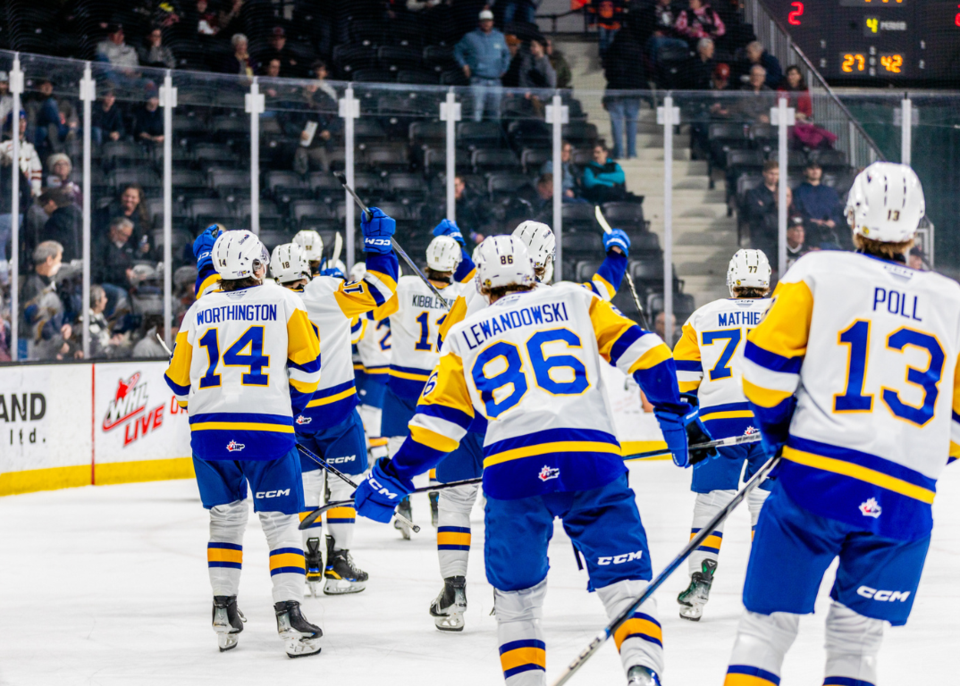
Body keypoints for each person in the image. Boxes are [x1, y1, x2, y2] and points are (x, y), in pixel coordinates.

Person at [353, 234, 714, 686]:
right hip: (591, 457)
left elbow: (438, 427)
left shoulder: (463, 334)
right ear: (534, 270)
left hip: (512, 468)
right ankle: (642, 669)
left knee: (517, 603)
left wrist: (394, 473)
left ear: (482, 286)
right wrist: (672, 410)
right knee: (626, 582)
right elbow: (650, 355)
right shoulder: (576, 298)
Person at [728, 162, 957, 685]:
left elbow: (763, 369)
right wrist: (914, 452)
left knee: (766, 629)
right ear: (916, 226)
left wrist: (782, 434)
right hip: (904, 500)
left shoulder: (817, 272)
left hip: (817, 480)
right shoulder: (953, 302)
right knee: (857, 644)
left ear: (852, 216)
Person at [164, 230, 324, 658]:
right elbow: (309, 370)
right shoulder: (286, 301)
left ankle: (223, 612)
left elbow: (178, 385)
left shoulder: (198, 309)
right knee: (280, 522)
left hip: (210, 433)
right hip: (267, 429)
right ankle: (289, 616)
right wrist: (288, 407)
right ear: (257, 266)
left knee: (224, 520)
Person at [271, 209, 398, 597]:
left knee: (308, 486)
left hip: (291, 410)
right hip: (337, 408)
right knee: (344, 486)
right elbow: (380, 291)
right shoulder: (327, 290)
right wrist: (378, 247)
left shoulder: (268, 302)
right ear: (308, 270)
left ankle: (309, 561)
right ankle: (338, 564)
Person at [672, 249, 773, 621]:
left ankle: (699, 587)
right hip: (769, 420)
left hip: (718, 422)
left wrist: (687, 426)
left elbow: (682, 385)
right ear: (767, 281)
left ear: (732, 280)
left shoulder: (703, 316)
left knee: (712, 504)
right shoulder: (781, 311)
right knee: (765, 503)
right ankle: (769, 589)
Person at [378, 229, 475, 539]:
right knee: (433, 438)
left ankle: (402, 502)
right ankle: (435, 498)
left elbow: (376, 309)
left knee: (396, 442)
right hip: (437, 381)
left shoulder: (406, 286)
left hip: (401, 381)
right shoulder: (462, 295)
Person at [21, 241, 77, 361]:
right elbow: (40, 324)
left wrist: (67, 325)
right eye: (58, 261)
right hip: (39, 351)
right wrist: (59, 344)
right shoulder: (33, 287)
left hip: (53, 346)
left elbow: (60, 313)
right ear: (49, 260)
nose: (60, 265)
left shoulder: (55, 283)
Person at [455, 10, 512, 122]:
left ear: (493, 22)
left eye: (489, 21)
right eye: (484, 21)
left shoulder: (499, 37)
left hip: (495, 80)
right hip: (478, 80)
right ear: (479, 22)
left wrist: (504, 68)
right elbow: (457, 50)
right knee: (476, 112)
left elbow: (506, 54)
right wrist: (464, 65)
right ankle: (474, 137)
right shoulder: (470, 37)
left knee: (495, 113)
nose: (486, 23)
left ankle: (494, 138)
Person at [289, 60, 341, 175]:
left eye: (315, 82)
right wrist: (299, 132)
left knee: (323, 171)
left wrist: (329, 130)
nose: (312, 85)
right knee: (299, 169)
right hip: (299, 143)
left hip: (319, 143)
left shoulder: (325, 97)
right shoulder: (296, 97)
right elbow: (287, 120)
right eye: (310, 82)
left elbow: (337, 118)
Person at [603, 27, 645, 160]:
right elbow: (641, 72)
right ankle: (632, 152)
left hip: (615, 90)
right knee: (632, 122)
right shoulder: (637, 50)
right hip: (633, 91)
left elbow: (608, 73)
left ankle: (619, 152)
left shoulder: (613, 50)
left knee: (616, 122)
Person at [92, 217, 139, 315]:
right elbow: (99, 271)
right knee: (120, 295)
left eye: (128, 236)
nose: (125, 239)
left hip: (124, 283)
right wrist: (122, 274)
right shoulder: (100, 245)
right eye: (123, 235)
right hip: (104, 283)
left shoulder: (127, 247)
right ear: (113, 230)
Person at [794, 160, 845, 247]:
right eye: (811, 168)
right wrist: (812, 221)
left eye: (818, 168)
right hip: (809, 232)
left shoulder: (830, 191)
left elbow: (838, 211)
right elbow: (797, 212)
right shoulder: (798, 191)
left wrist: (833, 221)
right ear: (805, 171)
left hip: (831, 232)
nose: (815, 171)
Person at [94, 184, 153, 252]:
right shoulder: (106, 213)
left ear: (138, 200)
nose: (129, 200)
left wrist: (145, 248)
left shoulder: (143, 219)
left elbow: (146, 239)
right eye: (126, 196)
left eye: (133, 197)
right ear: (121, 196)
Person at [1, 110, 43, 196]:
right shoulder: (3, 145)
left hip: (26, 190)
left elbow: (36, 169)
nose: (22, 124)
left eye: (24, 121)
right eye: (18, 121)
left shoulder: (29, 147)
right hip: (8, 189)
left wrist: (35, 190)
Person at [743, 160, 780, 257]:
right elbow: (755, 211)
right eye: (771, 174)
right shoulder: (754, 193)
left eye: (777, 174)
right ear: (764, 174)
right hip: (762, 234)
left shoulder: (783, 192)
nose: (774, 177)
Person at [40, 187, 82, 261]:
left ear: (51, 203)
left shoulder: (53, 222)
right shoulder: (79, 216)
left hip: (61, 263)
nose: (44, 210)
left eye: (44, 206)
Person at [87, 284, 127, 359]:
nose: (106, 300)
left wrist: (114, 338)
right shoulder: (87, 321)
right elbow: (93, 347)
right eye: (104, 297)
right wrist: (111, 342)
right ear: (97, 302)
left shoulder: (100, 317)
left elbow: (104, 336)